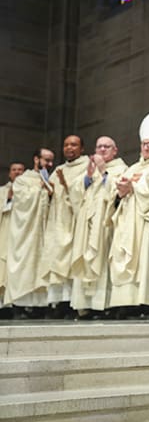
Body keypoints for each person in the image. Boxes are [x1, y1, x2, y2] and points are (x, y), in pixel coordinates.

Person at [109, 113, 149, 311]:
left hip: (147, 221)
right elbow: (118, 192)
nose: (146, 148)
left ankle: (148, 303)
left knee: (145, 260)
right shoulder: (133, 167)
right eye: (144, 144)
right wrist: (121, 190)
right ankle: (126, 303)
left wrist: (135, 188)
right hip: (127, 221)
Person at [70, 136, 127, 317]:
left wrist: (103, 172)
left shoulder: (121, 168)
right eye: (99, 147)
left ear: (115, 150)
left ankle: (103, 306)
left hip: (105, 224)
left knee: (101, 260)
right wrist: (87, 177)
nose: (102, 150)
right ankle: (85, 306)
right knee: (86, 259)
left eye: (106, 147)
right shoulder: (91, 170)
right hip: (87, 224)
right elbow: (76, 193)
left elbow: (118, 192)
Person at [40, 135, 89, 316]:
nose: (69, 148)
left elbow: (86, 192)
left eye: (74, 145)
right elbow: (51, 195)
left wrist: (66, 185)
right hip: (58, 223)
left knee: (72, 262)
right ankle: (58, 304)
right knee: (57, 260)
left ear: (82, 148)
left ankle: (71, 304)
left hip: (75, 223)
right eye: (66, 144)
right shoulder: (59, 169)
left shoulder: (86, 166)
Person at [4, 149, 54, 317]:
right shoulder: (22, 180)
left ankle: (41, 306)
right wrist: (40, 190)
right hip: (25, 234)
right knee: (25, 267)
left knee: (41, 267)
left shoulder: (50, 180)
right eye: (46, 160)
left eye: (51, 161)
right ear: (36, 159)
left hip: (43, 233)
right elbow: (21, 201)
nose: (49, 164)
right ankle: (20, 306)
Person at [0, 161, 26, 311]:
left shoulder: (29, 190)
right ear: (9, 173)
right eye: (14, 170)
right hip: (6, 231)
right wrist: (8, 199)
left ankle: (19, 304)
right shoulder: (3, 191)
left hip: (22, 235)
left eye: (20, 170)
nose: (17, 172)